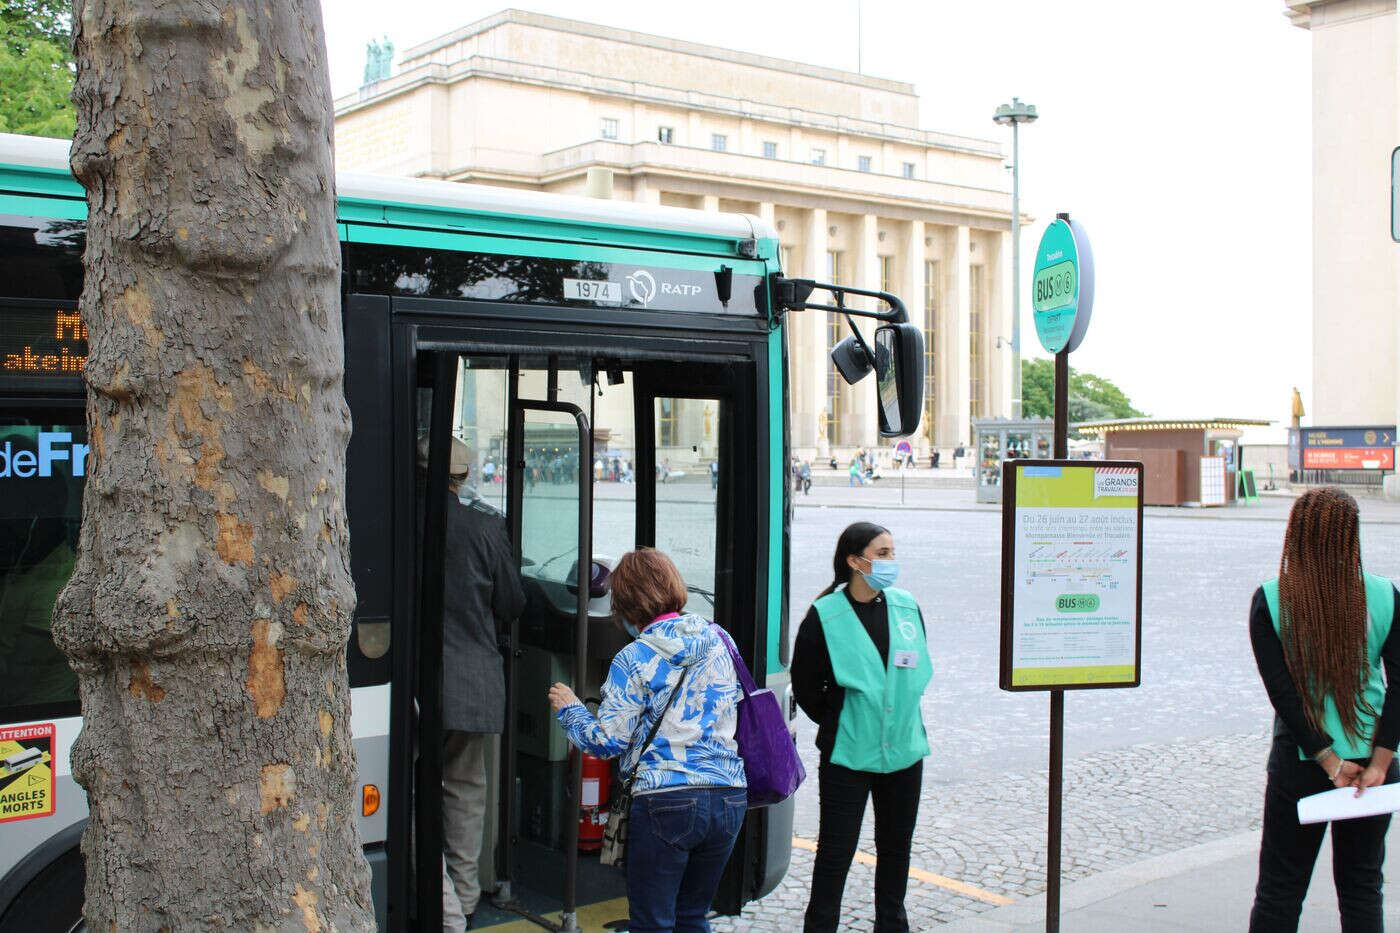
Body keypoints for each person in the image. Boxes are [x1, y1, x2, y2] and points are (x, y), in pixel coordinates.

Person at [548, 549, 745, 933]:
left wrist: (570, 708)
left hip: (667, 800)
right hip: (729, 797)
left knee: (652, 923)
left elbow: (606, 741)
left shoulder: (634, 656)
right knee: (692, 917)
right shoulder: (720, 639)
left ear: (623, 604)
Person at [1248, 488, 1400, 932]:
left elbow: (1284, 697)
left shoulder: (1271, 601)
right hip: (1372, 763)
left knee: (1280, 890)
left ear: (1295, 534)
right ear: (1352, 536)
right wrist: (1380, 761)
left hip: (1301, 763)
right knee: (1361, 888)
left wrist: (1328, 761)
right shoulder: (1386, 596)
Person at [791, 522, 932, 932]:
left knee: (896, 849)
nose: (891, 561)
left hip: (904, 749)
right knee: (836, 851)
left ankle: (892, 925)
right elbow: (805, 685)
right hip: (849, 752)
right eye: (883, 553)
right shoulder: (825, 615)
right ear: (856, 561)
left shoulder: (907, 607)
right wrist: (840, 720)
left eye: (892, 552)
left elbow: (914, 669)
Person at [419, 436, 526, 931]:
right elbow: (511, 603)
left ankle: (444, 909)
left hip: (417, 684)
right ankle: (462, 900)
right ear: (461, 478)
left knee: (415, 794)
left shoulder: (402, 521)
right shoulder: (484, 527)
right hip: (474, 683)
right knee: (464, 792)